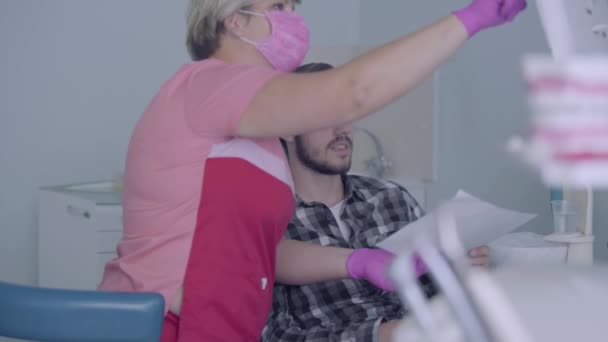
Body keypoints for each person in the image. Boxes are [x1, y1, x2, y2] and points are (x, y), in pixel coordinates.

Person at [96, 0, 525, 340]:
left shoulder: (258, 134)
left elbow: (259, 250)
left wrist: (356, 262)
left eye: (294, 8)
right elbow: (352, 92)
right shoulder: (206, 84)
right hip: (161, 325)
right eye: (279, 7)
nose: (294, 19)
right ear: (232, 20)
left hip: (220, 327)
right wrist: (466, 20)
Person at [261, 62, 491, 342]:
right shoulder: (269, 220)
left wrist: (461, 269)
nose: (342, 130)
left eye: (347, 115)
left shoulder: (389, 197)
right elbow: (276, 335)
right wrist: (379, 335)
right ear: (288, 129)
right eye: (325, 116)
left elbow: (434, 290)